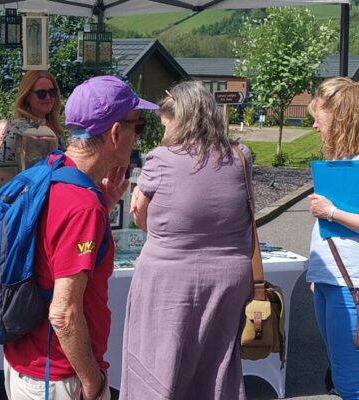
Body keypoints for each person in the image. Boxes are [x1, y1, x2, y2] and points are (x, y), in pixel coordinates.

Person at [3, 75, 157, 400]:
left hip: (28, 363)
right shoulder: (83, 206)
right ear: (116, 132)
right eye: (138, 128)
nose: (138, 138)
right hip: (59, 376)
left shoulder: (51, 169)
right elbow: (63, 312)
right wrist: (93, 383)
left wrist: (105, 202)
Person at [120, 81, 253, 399]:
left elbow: (141, 219)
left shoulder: (161, 159)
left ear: (180, 119)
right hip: (230, 279)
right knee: (216, 364)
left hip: (170, 280)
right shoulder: (240, 156)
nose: (164, 130)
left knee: (157, 364)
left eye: (166, 122)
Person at [306, 77, 359, 399]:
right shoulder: (339, 165)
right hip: (330, 278)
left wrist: (331, 212)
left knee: (349, 380)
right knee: (343, 371)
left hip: (351, 282)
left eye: (318, 118)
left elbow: (331, 216)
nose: (314, 126)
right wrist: (319, 270)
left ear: (340, 119)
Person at [0, 70, 63, 162]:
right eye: (41, 93)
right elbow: (2, 166)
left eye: (52, 92)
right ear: (27, 96)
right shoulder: (19, 128)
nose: (48, 97)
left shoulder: (54, 127)